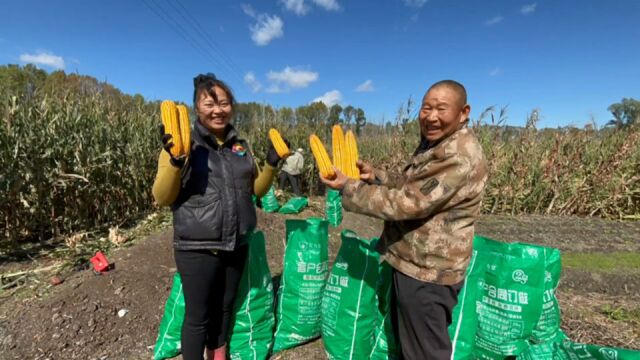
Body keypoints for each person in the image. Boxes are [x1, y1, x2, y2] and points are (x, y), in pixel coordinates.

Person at [320, 80, 488, 360]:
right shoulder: (439, 144)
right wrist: (376, 177)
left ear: (463, 112)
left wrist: (350, 187)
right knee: (409, 345)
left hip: (429, 271)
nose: (431, 116)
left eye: (441, 109)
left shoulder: (458, 155)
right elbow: (414, 184)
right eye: (426, 108)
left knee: (424, 352)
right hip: (414, 262)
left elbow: (408, 203)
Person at [152, 73, 287, 360]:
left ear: (232, 106)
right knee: (198, 317)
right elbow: (162, 197)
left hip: (236, 243)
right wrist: (176, 161)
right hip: (197, 247)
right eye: (209, 104)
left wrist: (271, 166)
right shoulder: (182, 143)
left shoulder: (240, 146)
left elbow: (256, 191)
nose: (218, 110)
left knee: (225, 310)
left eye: (224, 103)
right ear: (197, 108)